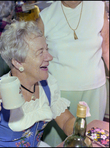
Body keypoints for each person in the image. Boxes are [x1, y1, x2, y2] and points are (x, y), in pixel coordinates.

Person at [0, 21, 76, 147]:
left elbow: (66, 120)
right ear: (18, 63)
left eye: (47, 49)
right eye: (40, 52)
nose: (49, 57)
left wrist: (80, 134)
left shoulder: (47, 84)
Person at [36, 1, 109, 146]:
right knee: (57, 143)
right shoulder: (45, 17)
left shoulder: (98, 7)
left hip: (95, 91)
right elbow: (35, 60)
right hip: (58, 95)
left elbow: (106, 48)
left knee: (92, 142)